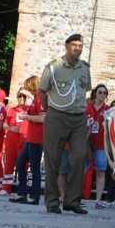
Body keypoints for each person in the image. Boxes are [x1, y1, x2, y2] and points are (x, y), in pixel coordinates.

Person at [39, 34, 91, 215]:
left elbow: (86, 90)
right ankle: (52, 202)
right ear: (67, 46)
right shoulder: (54, 67)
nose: (78, 48)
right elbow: (42, 90)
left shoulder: (85, 68)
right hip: (57, 116)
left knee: (79, 158)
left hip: (78, 117)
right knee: (53, 159)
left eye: (80, 45)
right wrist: (50, 110)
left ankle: (72, 201)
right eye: (74, 45)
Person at [8, 75, 45, 204]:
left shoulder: (41, 99)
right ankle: (22, 193)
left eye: (30, 89)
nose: (29, 91)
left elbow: (43, 118)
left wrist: (27, 117)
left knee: (34, 168)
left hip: (37, 137)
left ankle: (35, 196)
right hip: (31, 136)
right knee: (20, 163)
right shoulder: (35, 98)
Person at [86, 84, 111, 207]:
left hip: (101, 144)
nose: (102, 95)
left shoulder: (108, 109)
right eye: (100, 92)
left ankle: (98, 200)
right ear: (95, 93)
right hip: (87, 142)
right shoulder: (87, 107)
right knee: (83, 170)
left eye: (104, 93)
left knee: (100, 171)